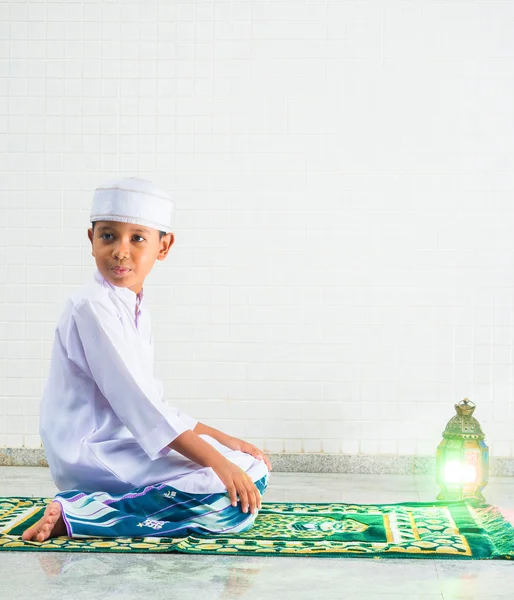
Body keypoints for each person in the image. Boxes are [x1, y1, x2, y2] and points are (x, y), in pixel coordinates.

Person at [22, 177, 271, 542]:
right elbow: (144, 410)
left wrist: (226, 441)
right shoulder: (91, 306)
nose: (121, 251)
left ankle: (100, 505)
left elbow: (153, 402)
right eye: (108, 236)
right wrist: (218, 461)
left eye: (137, 238)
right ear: (91, 240)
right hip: (93, 452)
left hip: (129, 440)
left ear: (163, 246)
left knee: (255, 469)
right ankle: (81, 515)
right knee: (227, 508)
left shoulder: (131, 303)